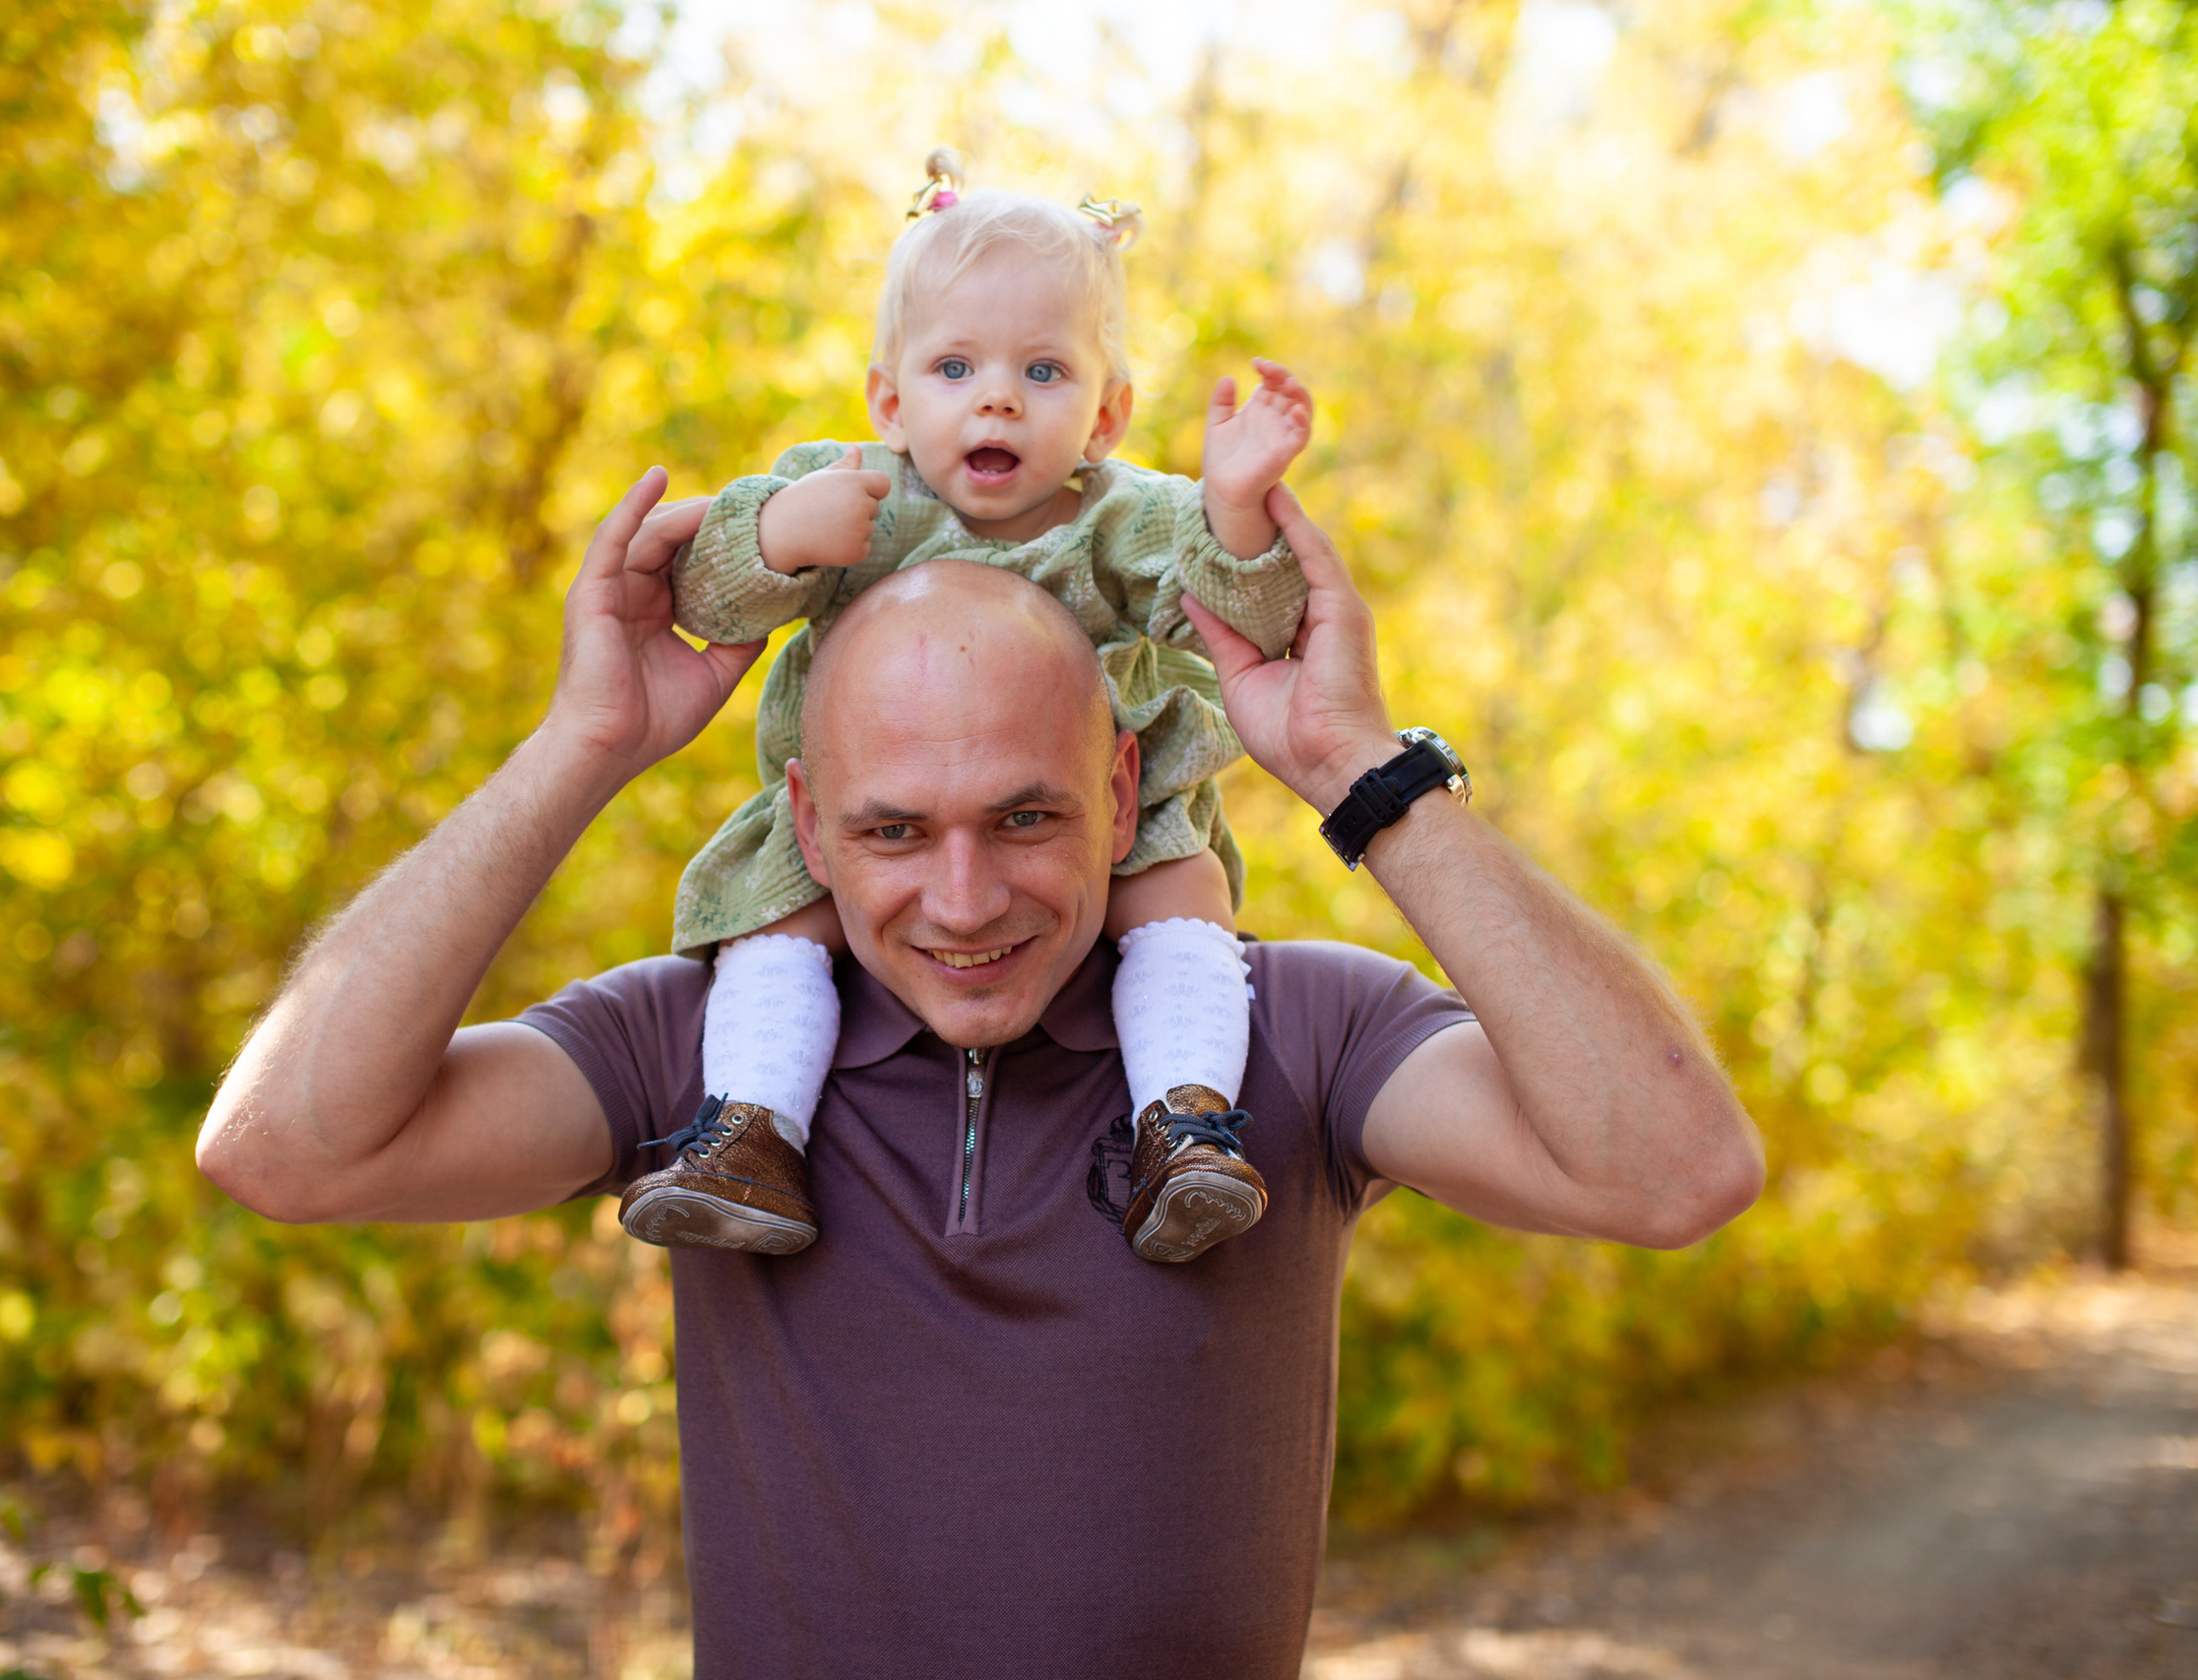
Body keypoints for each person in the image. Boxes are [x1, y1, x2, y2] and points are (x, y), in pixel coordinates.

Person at [197, 466, 1764, 1680]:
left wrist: (1369, 776)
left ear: (1125, 781)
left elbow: (1674, 1170)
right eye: (892, 830)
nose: (961, 903)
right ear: (805, 825)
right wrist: (582, 745)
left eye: (1025, 818)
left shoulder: (1286, 1028)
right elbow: (288, 1147)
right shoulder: (711, 1044)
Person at [633, 150, 1315, 1264]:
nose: (997, 395)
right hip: (875, 820)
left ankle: (1183, 1127)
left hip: (1098, 810)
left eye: (1044, 372)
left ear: (1106, 416)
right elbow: (704, 596)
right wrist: (776, 539)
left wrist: (1236, 512)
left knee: (1183, 899)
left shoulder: (1125, 519)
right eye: (955, 367)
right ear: (891, 402)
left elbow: (1240, 616)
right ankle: (752, 1132)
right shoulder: (848, 490)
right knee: (775, 924)